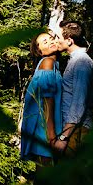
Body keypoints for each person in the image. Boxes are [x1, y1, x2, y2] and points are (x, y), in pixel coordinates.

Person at [19, 32, 63, 165]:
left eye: (51, 39)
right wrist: (51, 133)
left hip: (45, 125)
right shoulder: (48, 63)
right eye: (45, 42)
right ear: (40, 51)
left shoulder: (52, 64)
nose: (51, 42)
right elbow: (47, 100)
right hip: (45, 126)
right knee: (46, 168)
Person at [52, 20, 93, 155]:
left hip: (77, 132)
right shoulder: (75, 60)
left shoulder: (81, 62)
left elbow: (78, 103)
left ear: (69, 40)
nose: (56, 41)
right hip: (73, 130)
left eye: (58, 37)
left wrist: (64, 137)